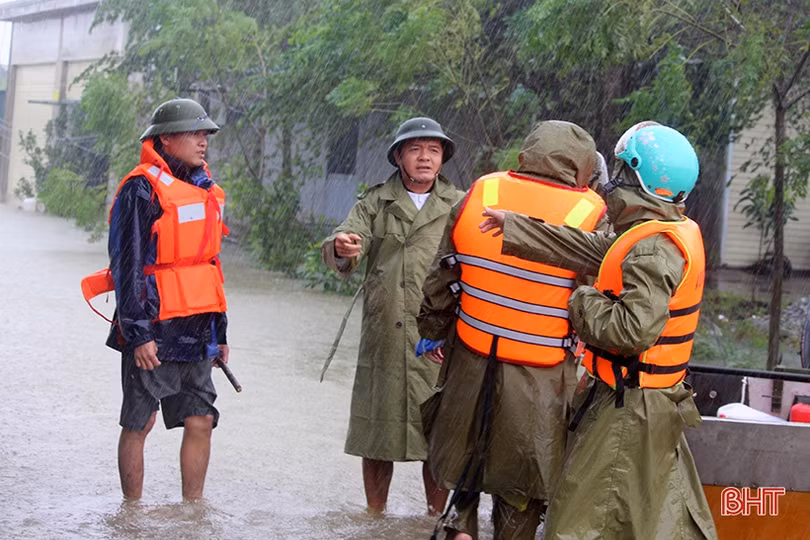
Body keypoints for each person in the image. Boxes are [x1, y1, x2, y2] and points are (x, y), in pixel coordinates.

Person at [479, 122, 718, 539]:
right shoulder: (658, 231)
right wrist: (515, 225)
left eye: (623, 170)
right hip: (647, 400)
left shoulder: (653, 248)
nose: (614, 181)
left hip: (629, 409)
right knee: (653, 518)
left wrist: (580, 300)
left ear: (636, 177)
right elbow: (583, 246)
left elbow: (630, 330)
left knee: (577, 525)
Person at [416, 121, 607, 540]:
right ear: (582, 167)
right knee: (522, 486)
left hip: (471, 357)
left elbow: (444, 272)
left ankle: (460, 528)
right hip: (541, 374)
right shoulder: (593, 212)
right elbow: (598, 300)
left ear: (528, 154)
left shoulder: (483, 190)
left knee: (465, 463)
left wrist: (432, 328)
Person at [81, 98, 229, 501]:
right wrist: (139, 331)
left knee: (201, 420)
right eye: (195, 134)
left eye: (205, 135)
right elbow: (127, 267)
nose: (204, 142)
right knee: (139, 423)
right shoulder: (139, 190)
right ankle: (131, 515)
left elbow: (210, 265)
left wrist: (220, 332)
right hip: (152, 327)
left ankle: (193, 513)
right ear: (166, 139)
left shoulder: (206, 191)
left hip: (197, 328)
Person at [321, 117, 464, 515]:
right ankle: (374, 517)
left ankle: (434, 519)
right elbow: (348, 237)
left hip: (436, 336)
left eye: (433, 150)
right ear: (399, 156)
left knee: (436, 432)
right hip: (384, 332)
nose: (424, 157)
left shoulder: (460, 203)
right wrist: (342, 246)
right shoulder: (375, 201)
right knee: (376, 429)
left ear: (442, 159)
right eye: (415, 149)